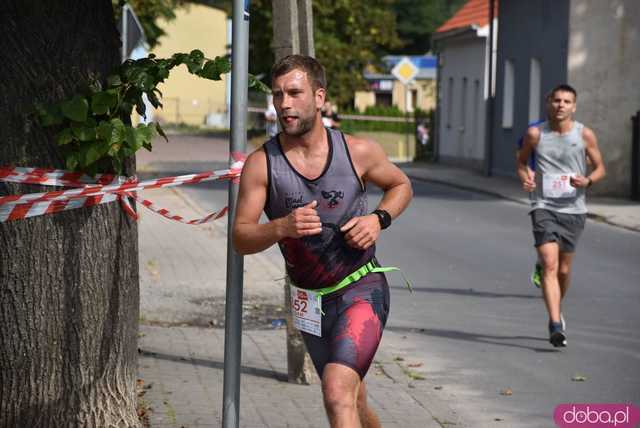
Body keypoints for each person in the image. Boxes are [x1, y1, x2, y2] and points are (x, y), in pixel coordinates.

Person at [232, 55, 413, 427]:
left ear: (319, 97)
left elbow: (401, 185)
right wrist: (281, 227)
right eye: (278, 94)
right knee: (352, 397)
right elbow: (241, 237)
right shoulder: (262, 164)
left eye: (294, 93)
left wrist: (379, 219)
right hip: (309, 301)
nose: (284, 103)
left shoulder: (357, 151)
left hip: (360, 287)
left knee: (335, 391)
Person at [516, 84, 605, 348]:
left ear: (574, 106)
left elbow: (600, 168)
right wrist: (527, 179)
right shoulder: (535, 134)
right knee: (550, 263)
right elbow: (521, 163)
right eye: (557, 100)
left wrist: (587, 180)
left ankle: (557, 305)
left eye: (567, 101)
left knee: (563, 269)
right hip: (543, 205)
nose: (561, 105)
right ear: (548, 103)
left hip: (574, 209)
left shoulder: (584, 135)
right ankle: (555, 324)